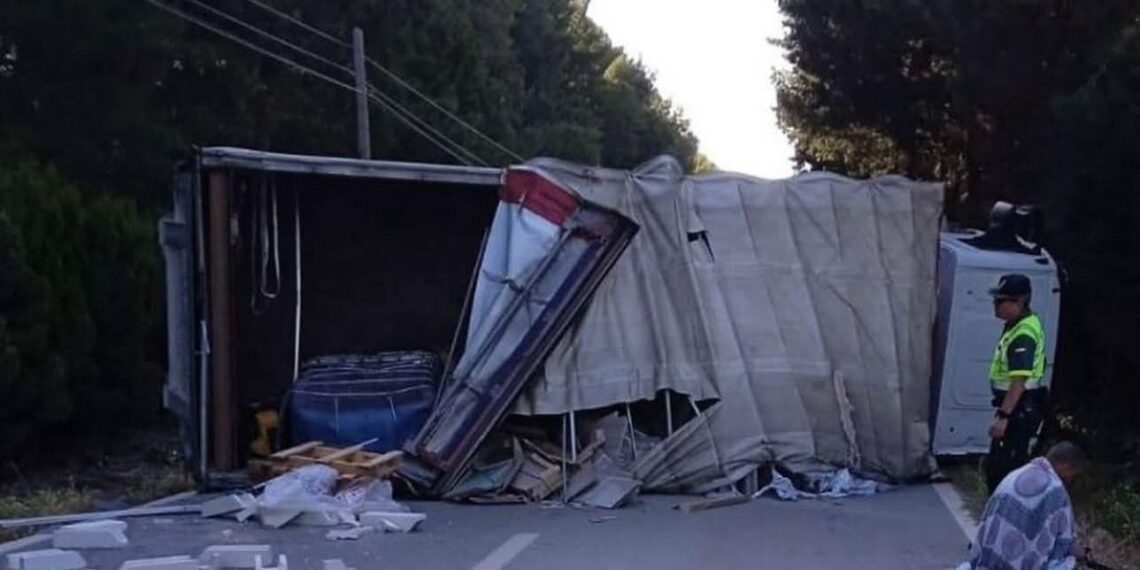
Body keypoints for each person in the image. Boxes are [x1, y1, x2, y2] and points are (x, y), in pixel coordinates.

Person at [957, 442, 1087, 570]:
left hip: (988, 557)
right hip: (1018, 562)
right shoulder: (1056, 491)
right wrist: (1079, 553)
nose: (1070, 479)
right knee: (1066, 561)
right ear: (1066, 467)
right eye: (1072, 474)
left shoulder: (1015, 474)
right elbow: (1064, 541)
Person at [985, 273, 1048, 495]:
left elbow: (1019, 381)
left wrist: (1003, 417)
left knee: (1004, 470)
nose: (995, 305)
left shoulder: (1024, 333)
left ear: (1019, 302)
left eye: (1000, 301)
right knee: (999, 466)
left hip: (1019, 408)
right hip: (1018, 407)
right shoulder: (1016, 325)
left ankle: (1004, 511)